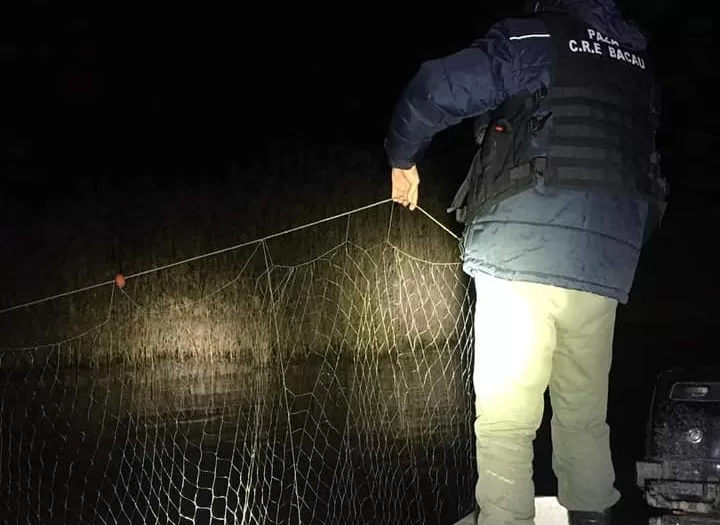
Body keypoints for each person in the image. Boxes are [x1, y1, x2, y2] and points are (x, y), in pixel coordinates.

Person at [384, 1, 669, 524]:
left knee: (506, 424)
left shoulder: (536, 40)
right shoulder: (636, 63)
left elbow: (435, 88)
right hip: (605, 264)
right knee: (585, 418)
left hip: (519, 255)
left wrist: (402, 158)